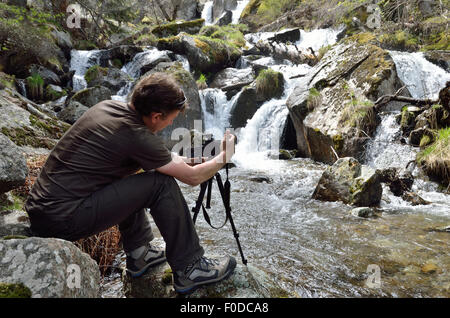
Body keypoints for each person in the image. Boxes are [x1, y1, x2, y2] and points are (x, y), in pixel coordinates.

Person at [24, 72, 237, 294]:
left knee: (134, 176)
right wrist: (224, 157)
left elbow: (164, 158)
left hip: (45, 211)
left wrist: (200, 160)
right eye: (170, 120)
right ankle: (190, 268)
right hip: (63, 218)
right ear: (156, 116)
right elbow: (191, 178)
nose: (170, 124)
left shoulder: (109, 108)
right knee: (160, 183)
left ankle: (140, 253)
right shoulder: (136, 135)